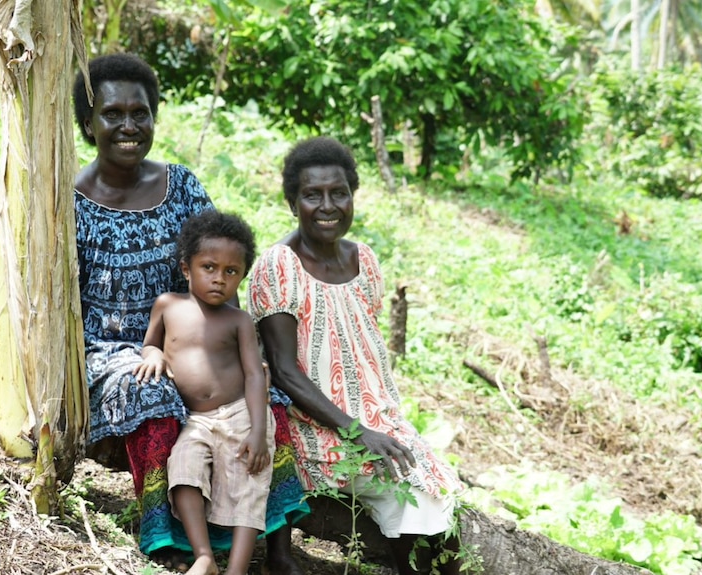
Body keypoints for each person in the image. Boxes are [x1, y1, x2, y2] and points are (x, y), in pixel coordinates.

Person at [72, 53, 308, 574]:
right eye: (113, 114)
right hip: (117, 350)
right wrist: (143, 351)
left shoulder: (180, 185)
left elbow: (220, 260)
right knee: (150, 389)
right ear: (88, 123)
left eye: (142, 113)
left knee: (265, 393)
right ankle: (177, 542)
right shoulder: (71, 202)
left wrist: (241, 345)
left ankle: (276, 544)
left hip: (199, 329)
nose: (129, 126)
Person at [247, 136, 464, 575]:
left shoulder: (362, 259)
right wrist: (356, 431)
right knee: (413, 494)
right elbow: (286, 372)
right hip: (315, 428)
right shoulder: (279, 265)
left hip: (376, 420)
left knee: (439, 508)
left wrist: (378, 425)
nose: (328, 206)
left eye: (339, 193)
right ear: (293, 203)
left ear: (353, 196)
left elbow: (361, 352)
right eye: (313, 195)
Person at [134, 211, 273, 575]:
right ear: (186, 268)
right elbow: (150, 344)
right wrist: (153, 354)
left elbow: (254, 375)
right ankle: (204, 556)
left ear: (241, 277)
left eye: (231, 272)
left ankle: (237, 569)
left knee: (249, 483)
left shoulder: (238, 320)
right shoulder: (168, 305)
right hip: (195, 420)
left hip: (240, 412)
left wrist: (258, 431)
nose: (219, 279)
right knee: (183, 471)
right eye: (208, 267)